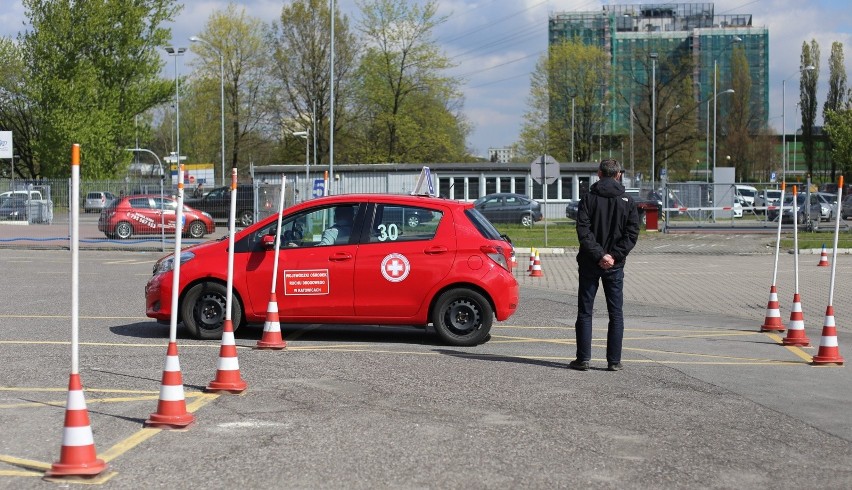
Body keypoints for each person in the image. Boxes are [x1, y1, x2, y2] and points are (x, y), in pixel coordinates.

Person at [570, 158, 640, 372]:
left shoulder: (588, 198)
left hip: (590, 262)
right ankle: (614, 361)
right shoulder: (628, 200)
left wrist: (600, 255)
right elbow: (632, 234)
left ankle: (583, 359)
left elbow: (583, 231)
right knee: (615, 313)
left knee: (585, 311)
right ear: (618, 175)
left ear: (599, 174)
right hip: (615, 266)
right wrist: (613, 257)